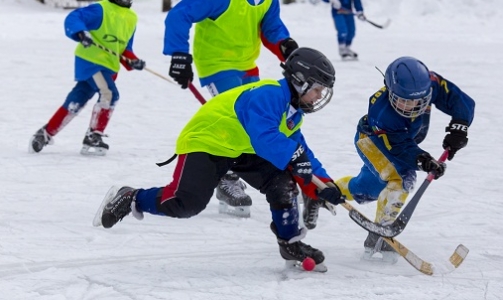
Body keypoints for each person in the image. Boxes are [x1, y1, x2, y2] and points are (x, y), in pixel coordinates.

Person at [93, 47, 345, 272]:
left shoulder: (293, 114)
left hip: (240, 149)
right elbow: (264, 137)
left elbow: (301, 151)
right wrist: (294, 156)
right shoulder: (269, 94)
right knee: (186, 204)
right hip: (208, 142)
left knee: (283, 183)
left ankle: (290, 243)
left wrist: (324, 185)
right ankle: (131, 197)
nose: (319, 95)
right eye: (317, 89)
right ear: (300, 81)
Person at [163, 0, 300, 218]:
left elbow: (271, 26)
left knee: (262, 118)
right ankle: (226, 179)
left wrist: (286, 44)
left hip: (246, 64)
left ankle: (277, 174)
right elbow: (179, 14)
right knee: (237, 122)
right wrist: (179, 54)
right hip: (216, 64)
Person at [333, 56, 475, 262]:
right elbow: (400, 148)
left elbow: (460, 101)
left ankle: (330, 191)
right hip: (373, 141)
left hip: (401, 142)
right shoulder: (381, 112)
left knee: (368, 190)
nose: (412, 106)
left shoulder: (429, 83)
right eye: (404, 101)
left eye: (418, 100)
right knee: (401, 179)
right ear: (390, 91)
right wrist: (423, 160)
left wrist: (459, 128)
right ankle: (380, 232)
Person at [29, 0, 145, 156]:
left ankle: (45, 133)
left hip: (108, 67)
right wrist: (82, 32)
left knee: (76, 100)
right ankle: (93, 135)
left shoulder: (131, 18)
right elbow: (74, 17)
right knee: (109, 94)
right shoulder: (101, 9)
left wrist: (133, 60)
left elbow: (124, 48)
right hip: (91, 62)